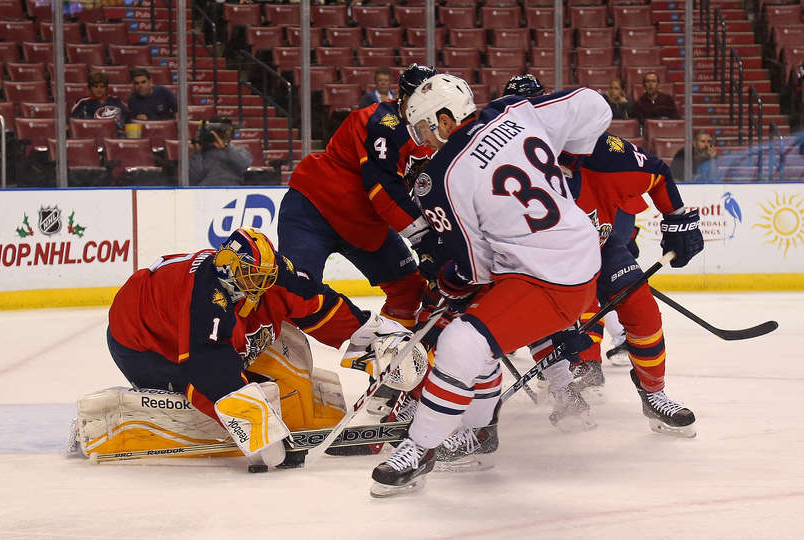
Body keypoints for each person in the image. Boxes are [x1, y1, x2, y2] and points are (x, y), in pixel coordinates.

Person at [369, 74, 611, 497]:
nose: (423, 140)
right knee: (477, 331)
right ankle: (479, 436)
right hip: (576, 253)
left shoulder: (441, 176)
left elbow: (474, 269)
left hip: (549, 278)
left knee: (462, 341)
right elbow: (595, 106)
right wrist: (567, 167)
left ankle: (421, 445)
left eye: (425, 128)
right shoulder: (513, 111)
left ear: (445, 120)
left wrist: (447, 280)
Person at [100, 226, 418, 467]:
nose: (261, 285)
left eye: (265, 277)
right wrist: (257, 430)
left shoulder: (273, 275)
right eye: (252, 277)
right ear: (228, 268)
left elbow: (320, 304)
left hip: (197, 331)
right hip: (143, 342)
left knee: (288, 353)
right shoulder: (207, 297)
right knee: (197, 384)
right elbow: (207, 368)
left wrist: (374, 339)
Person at [503, 75, 703, 437]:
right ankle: (562, 385)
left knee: (640, 308)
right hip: (539, 262)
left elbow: (656, 173)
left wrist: (677, 219)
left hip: (602, 247)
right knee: (542, 321)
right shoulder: (497, 168)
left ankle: (654, 393)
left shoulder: (601, 152)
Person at [277, 63, 437, 332]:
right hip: (314, 209)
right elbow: (384, 192)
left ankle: (391, 361)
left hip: (365, 226)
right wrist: (425, 242)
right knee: (294, 295)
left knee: (409, 290)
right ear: (404, 97)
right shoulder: (378, 122)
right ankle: (367, 340)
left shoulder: (435, 133)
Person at [189, 116, 252, 186]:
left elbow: (244, 165)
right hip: (205, 192)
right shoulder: (202, 153)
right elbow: (192, 178)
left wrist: (226, 147)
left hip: (232, 191)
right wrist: (197, 151)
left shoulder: (238, 150)